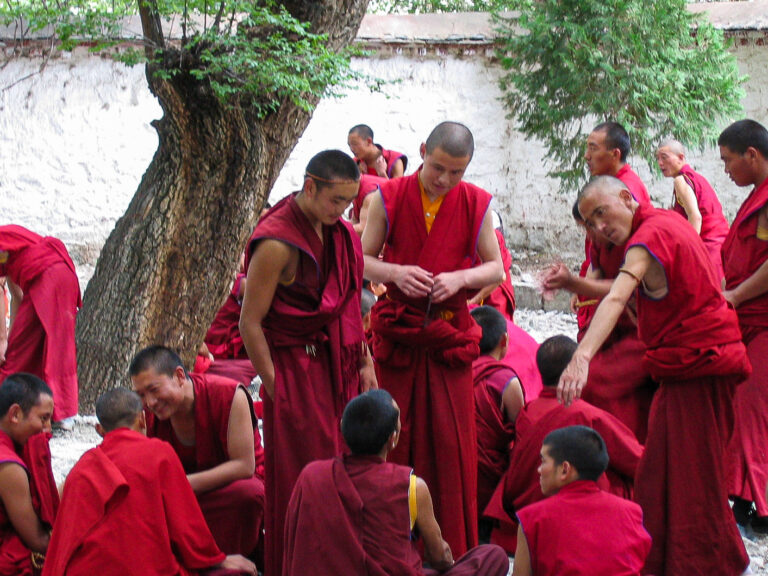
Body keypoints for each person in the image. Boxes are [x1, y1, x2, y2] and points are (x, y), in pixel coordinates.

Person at [559, 175, 752, 575]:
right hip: (685, 368)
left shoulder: (653, 232)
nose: (599, 228)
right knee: (665, 472)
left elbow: (619, 292)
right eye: (591, 223)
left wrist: (582, 357)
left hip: (699, 367)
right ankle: (696, 560)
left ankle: (704, 565)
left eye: (601, 213)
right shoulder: (660, 224)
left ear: (628, 198)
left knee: (692, 479)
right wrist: (579, 285)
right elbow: (632, 290)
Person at [362, 121, 504, 555]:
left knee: (450, 441)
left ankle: (448, 547)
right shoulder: (388, 197)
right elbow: (361, 259)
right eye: (438, 167)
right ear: (423, 151)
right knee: (394, 436)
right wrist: (395, 272)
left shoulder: (476, 203)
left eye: (456, 173)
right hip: (401, 333)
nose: (444, 180)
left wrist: (461, 276)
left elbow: (495, 268)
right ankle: (389, 546)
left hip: (447, 337)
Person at [240, 149, 375, 576]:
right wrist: (279, 387)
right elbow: (250, 323)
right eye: (336, 201)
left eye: (349, 203)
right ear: (310, 186)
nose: (342, 211)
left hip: (340, 363)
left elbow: (350, 301)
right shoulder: (278, 243)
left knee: (347, 467)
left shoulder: (341, 233)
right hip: (297, 371)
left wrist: (366, 362)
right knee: (307, 475)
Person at [284, 389, 510, 576]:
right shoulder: (411, 486)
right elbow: (438, 557)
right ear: (393, 438)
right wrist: (446, 559)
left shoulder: (312, 476)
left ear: (343, 428)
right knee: (493, 557)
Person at [42, 387, 257, 576]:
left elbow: (66, 533)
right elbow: (185, 525)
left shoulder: (84, 465)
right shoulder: (159, 453)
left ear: (99, 430)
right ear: (142, 419)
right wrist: (215, 559)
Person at [541, 123, 656, 442]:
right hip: (618, 312)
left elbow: (629, 284)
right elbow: (598, 258)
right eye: (590, 224)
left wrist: (576, 285)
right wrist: (579, 284)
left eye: (593, 147)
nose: (587, 155)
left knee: (594, 385)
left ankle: (621, 463)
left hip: (637, 320)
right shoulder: (604, 196)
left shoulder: (627, 198)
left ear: (614, 153)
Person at [129, 346, 265, 561]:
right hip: (180, 495)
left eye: (154, 390)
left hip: (226, 491)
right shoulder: (145, 414)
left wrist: (179, 485)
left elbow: (244, 466)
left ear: (179, 376)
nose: (150, 402)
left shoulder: (229, 394)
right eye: (141, 395)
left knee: (248, 494)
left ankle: (225, 561)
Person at [502, 335, 643, 534]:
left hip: (528, 506)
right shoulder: (584, 413)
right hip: (577, 507)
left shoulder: (528, 411)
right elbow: (636, 460)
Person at [513, 426, 651, 576]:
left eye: (544, 461)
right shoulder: (631, 512)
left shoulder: (533, 518)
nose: (539, 470)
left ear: (565, 469)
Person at [718, 119, 768, 532]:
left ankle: (754, 505)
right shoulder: (758, 196)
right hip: (746, 317)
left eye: (729, 161)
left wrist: (733, 296)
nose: (727, 170)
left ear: (752, 155)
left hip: (761, 320)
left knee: (752, 410)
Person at [0, 225, 81, 427]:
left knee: (23, 353)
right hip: (62, 274)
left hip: (47, 279)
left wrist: (3, 339)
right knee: (52, 347)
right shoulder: (9, 243)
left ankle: (9, 403)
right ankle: (58, 410)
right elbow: (18, 295)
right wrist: (11, 336)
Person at [469, 306, 524, 520]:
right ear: (504, 341)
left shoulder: (454, 371)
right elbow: (520, 431)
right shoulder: (506, 381)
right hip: (491, 476)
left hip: (454, 469)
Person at [0, 373, 55, 576]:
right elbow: (37, 540)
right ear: (15, 414)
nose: (47, 429)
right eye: (43, 418)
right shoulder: (9, 467)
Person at [656, 139, 729, 280]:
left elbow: (695, 217)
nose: (660, 163)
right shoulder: (697, 178)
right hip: (722, 245)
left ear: (681, 157)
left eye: (664, 157)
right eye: (658, 158)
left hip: (708, 247)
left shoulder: (681, 180)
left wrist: (689, 251)